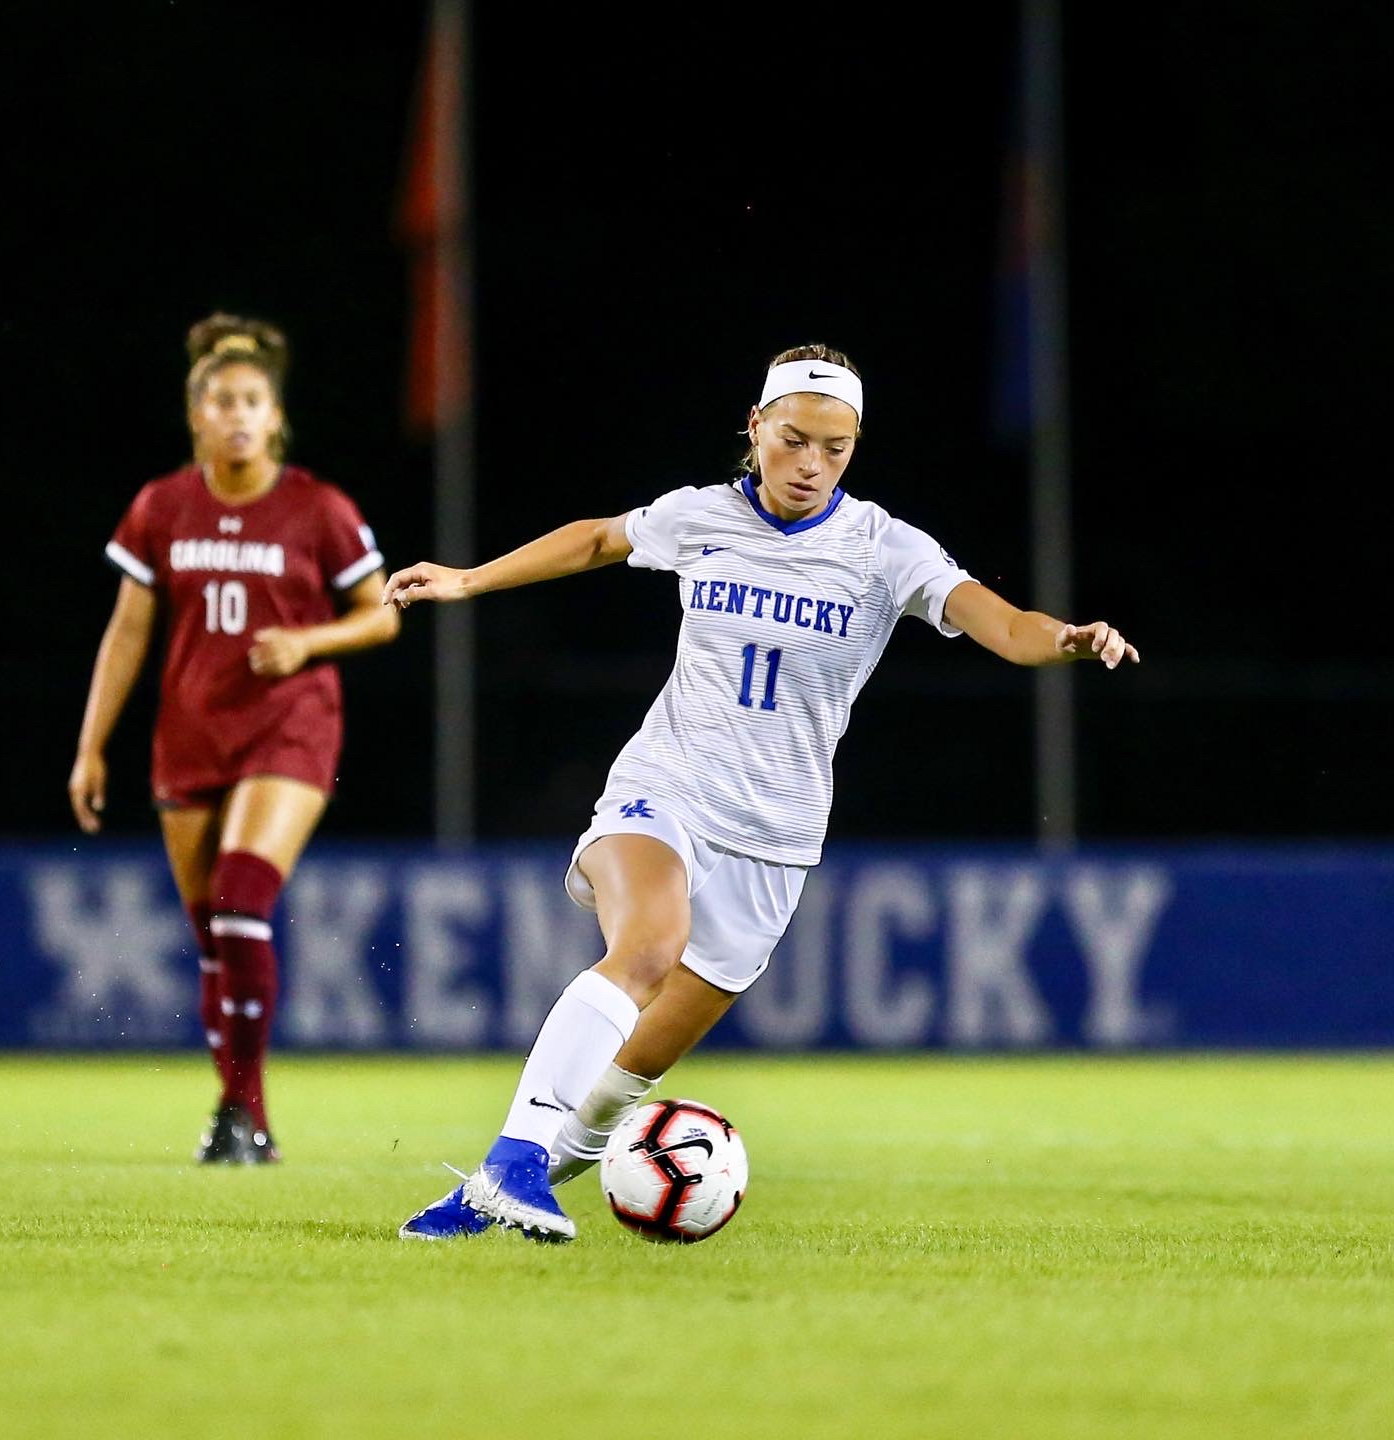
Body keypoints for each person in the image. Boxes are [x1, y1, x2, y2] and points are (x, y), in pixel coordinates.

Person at [385, 343, 1138, 1241]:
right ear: (756, 427)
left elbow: (1007, 626)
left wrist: (1066, 639)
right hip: (666, 788)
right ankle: (513, 1165)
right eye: (794, 439)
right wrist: (469, 578)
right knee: (647, 947)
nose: (812, 464)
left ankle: (490, 1195)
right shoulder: (699, 517)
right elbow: (595, 539)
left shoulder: (881, 549)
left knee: (622, 1084)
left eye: (836, 446)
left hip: (774, 837)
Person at [69, 313, 400, 1163]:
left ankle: (244, 1117)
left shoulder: (317, 508)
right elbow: (128, 632)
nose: (238, 414)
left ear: (275, 414)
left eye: (253, 399)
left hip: (290, 727)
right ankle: (238, 1110)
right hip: (190, 733)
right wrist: (90, 744)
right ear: (196, 417)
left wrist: (307, 642)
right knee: (214, 938)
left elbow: (379, 616)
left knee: (242, 899)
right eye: (221, 401)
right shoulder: (162, 506)